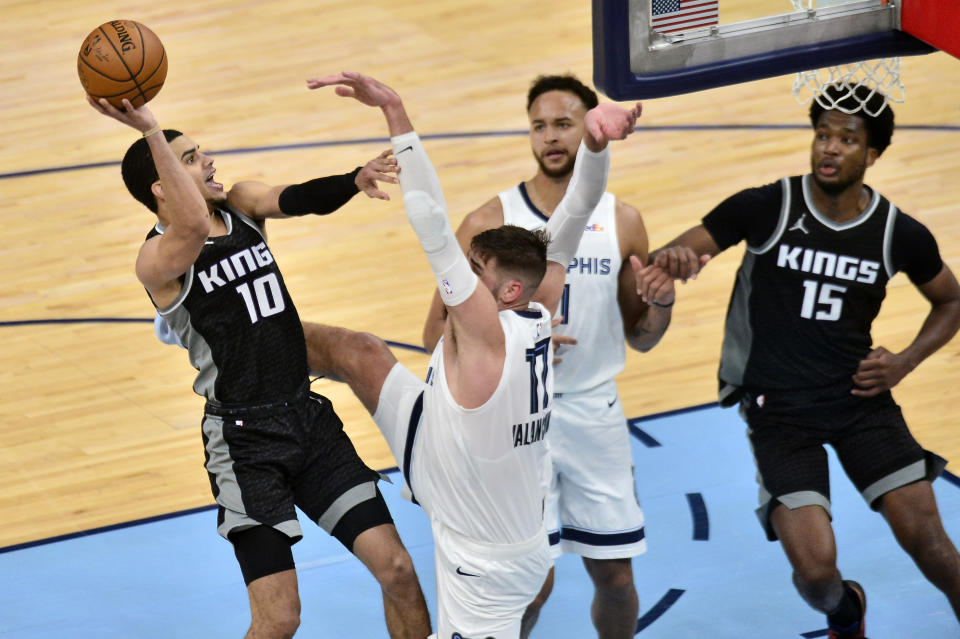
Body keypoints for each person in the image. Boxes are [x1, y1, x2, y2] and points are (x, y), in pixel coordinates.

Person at [298, 70, 640, 638]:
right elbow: (578, 211)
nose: (462, 276)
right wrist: (596, 147)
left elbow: (430, 218)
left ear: (505, 291)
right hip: (457, 452)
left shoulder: (484, 330)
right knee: (358, 352)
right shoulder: (538, 302)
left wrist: (397, 113)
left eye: (476, 270)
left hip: (487, 558)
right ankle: (245, 341)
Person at [87, 95, 431, 639]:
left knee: (400, 572)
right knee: (278, 620)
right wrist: (151, 128)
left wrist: (352, 179)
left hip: (308, 421)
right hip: (245, 443)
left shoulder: (240, 205)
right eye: (193, 159)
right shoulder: (158, 260)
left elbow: (292, 198)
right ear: (163, 185)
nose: (210, 162)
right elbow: (192, 225)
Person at [649, 84, 960, 638]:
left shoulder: (897, 232)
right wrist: (670, 261)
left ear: (873, 154)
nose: (830, 148)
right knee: (816, 577)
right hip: (780, 416)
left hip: (862, 405)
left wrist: (907, 361)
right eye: (822, 135)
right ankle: (847, 612)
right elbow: (673, 256)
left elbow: (952, 300)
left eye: (847, 138)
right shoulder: (766, 206)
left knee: (934, 550)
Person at [421, 74, 674, 639]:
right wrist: (513, 338)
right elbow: (434, 333)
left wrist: (661, 305)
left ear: (590, 130)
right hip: (512, 422)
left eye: (564, 124)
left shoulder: (625, 221)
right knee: (530, 585)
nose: (550, 137)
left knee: (615, 575)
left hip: (592, 410)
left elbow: (643, 336)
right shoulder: (488, 222)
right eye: (539, 125)